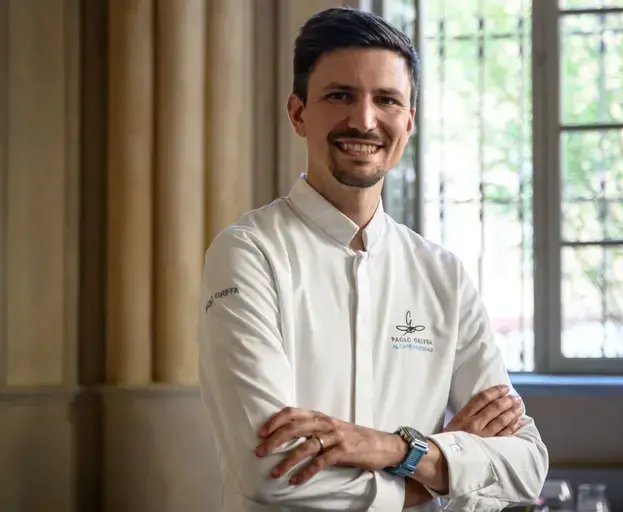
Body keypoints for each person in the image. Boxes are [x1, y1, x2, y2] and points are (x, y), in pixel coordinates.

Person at [197, 7, 548, 511]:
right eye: (340, 96)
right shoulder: (248, 254)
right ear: (298, 113)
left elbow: (527, 464)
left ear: (409, 122)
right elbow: (270, 471)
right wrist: (433, 475)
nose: (364, 121)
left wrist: (394, 448)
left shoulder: (443, 275)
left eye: (386, 99)